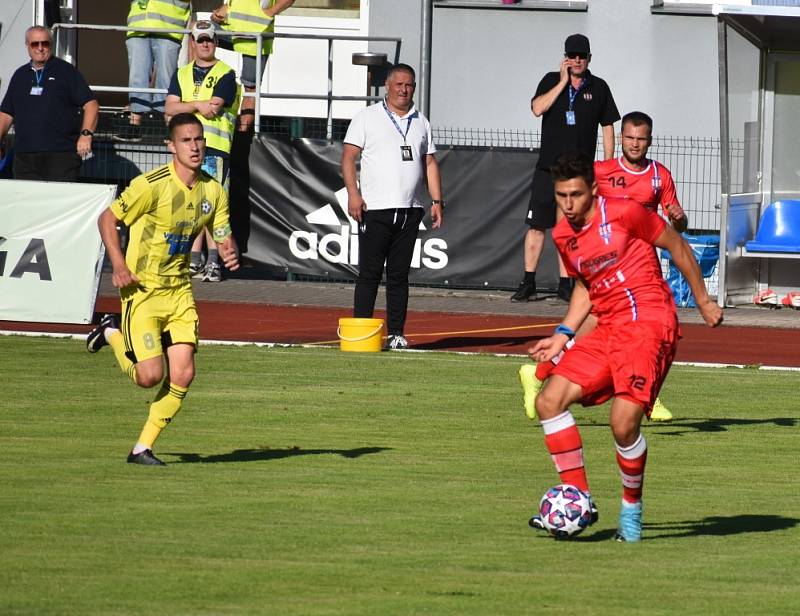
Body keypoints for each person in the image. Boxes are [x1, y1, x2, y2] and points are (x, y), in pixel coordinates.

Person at [525, 151, 722, 542]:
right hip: (609, 328)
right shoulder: (564, 235)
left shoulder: (626, 212)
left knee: (622, 423)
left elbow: (677, 247)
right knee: (549, 402)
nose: (568, 204)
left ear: (593, 191)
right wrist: (563, 332)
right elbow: (586, 284)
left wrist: (702, 300)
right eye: (561, 195)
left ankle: (631, 510)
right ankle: (578, 497)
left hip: (650, 324)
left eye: (576, 195)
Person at [86, 113, 240, 466]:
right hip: (143, 291)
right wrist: (120, 264)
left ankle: (142, 448)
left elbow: (222, 233)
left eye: (199, 139)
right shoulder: (151, 185)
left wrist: (229, 248)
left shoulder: (213, 190)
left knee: (184, 373)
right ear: (171, 146)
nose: (195, 146)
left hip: (180, 291)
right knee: (149, 376)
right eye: (186, 140)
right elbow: (107, 219)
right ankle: (111, 332)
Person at [521, 111, 687, 422]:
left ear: (650, 141)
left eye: (641, 138)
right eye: (630, 137)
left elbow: (676, 222)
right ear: (620, 138)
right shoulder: (600, 172)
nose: (635, 144)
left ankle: (540, 373)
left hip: (641, 269)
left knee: (633, 334)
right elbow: (573, 208)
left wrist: (678, 218)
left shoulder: (659, 176)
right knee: (615, 336)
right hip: (605, 271)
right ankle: (645, 396)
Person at [341, 63, 444, 350]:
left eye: (409, 84)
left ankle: (396, 333)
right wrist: (353, 193)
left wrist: (436, 200)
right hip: (375, 209)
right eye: (399, 84)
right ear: (388, 86)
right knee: (370, 273)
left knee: (399, 276)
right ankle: (361, 330)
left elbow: (430, 162)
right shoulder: (368, 117)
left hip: (409, 209)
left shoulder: (420, 121)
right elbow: (348, 157)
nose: (404, 89)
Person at [511, 34, 619, 303]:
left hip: (578, 173)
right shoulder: (550, 80)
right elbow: (537, 108)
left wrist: (606, 164)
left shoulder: (600, 87)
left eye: (582, 55)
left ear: (589, 58)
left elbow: (608, 128)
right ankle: (528, 281)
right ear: (565, 57)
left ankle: (565, 283)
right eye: (572, 55)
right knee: (537, 226)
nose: (577, 60)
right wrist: (562, 82)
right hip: (548, 168)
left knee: (568, 228)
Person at [165, 20, 240, 282]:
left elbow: (215, 107)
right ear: (193, 43)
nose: (205, 43)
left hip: (215, 150)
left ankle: (214, 261)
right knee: (191, 204)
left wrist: (186, 105)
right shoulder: (182, 73)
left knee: (214, 205)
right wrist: (198, 103)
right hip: (186, 150)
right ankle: (194, 260)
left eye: (209, 39)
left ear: (216, 42)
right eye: (200, 39)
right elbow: (169, 108)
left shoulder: (226, 73)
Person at [0, 26, 98, 181]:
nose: (40, 48)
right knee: (27, 203)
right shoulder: (19, 75)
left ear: (51, 45)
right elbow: (6, 113)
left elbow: (91, 105)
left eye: (44, 43)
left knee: (60, 204)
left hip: (61, 156)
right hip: (25, 157)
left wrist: (86, 135)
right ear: (27, 45)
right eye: (35, 44)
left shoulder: (67, 71)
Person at [211, 0, 295, 132]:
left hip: (256, 36)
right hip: (232, 28)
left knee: (251, 90)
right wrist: (221, 11)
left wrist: (269, 13)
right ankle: (198, 80)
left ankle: (242, 136)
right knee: (198, 29)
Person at [118, 0, 192, 142]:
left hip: (168, 26)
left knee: (167, 78)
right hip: (138, 25)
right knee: (137, 76)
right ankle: (134, 126)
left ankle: (170, 126)